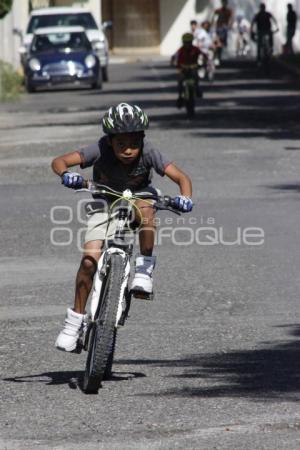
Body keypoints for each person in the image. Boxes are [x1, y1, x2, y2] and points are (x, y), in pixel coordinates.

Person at [52, 103, 193, 351]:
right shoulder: (99, 149)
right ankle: (73, 323)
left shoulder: (149, 151)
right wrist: (66, 174)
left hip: (139, 198)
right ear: (109, 141)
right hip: (104, 200)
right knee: (88, 261)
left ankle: (144, 270)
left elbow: (181, 177)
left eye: (134, 144)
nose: (128, 150)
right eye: (121, 145)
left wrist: (185, 197)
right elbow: (60, 160)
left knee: (148, 209)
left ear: (142, 139)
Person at [175, 32, 201, 108]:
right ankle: (180, 96)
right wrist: (177, 66)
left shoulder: (195, 49)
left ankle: (197, 88)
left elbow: (203, 56)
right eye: (186, 42)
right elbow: (176, 59)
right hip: (183, 70)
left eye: (189, 42)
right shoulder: (180, 50)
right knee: (180, 81)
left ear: (191, 42)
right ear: (183, 42)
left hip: (193, 69)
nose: (187, 44)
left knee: (196, 77)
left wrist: (202, 63)